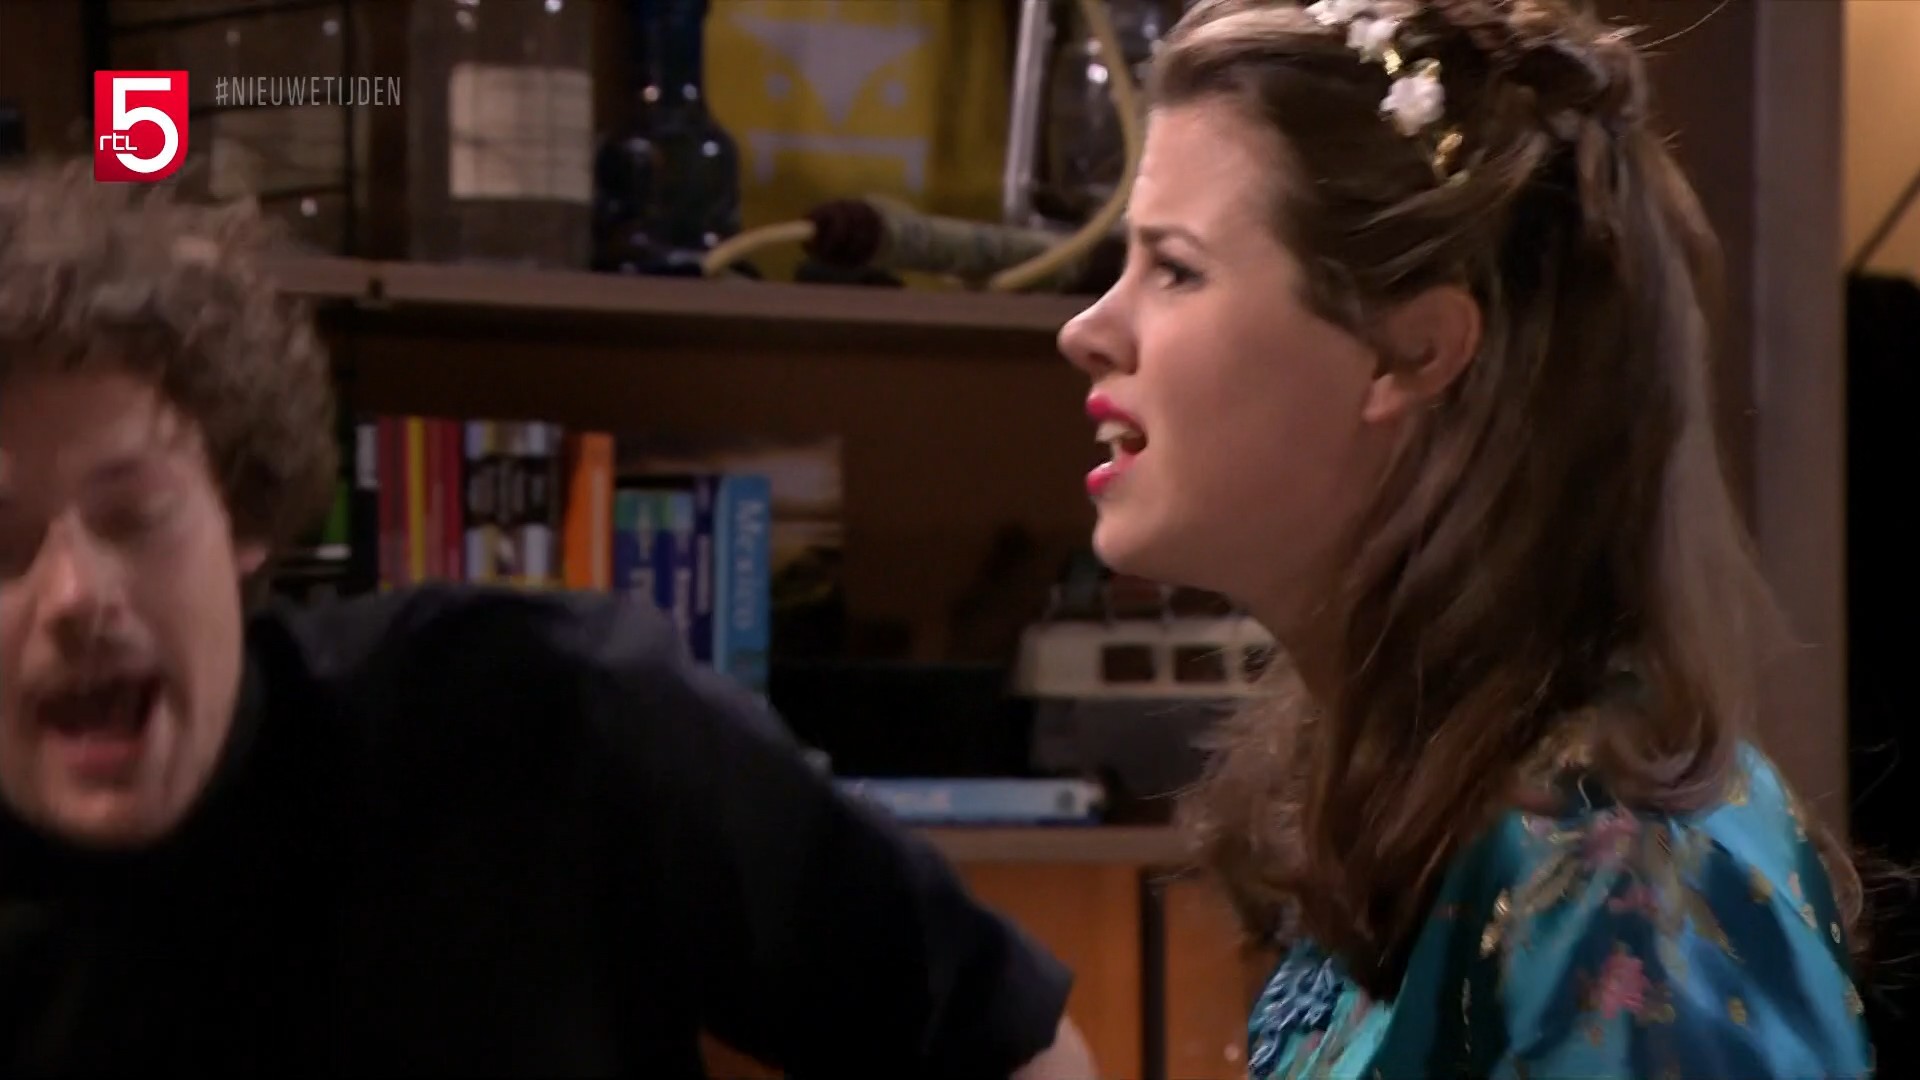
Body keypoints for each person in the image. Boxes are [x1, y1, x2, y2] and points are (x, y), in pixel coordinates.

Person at [0, 160, 1096, 1078]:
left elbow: (1015, 1051)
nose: (77, 597)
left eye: (135, 518)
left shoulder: (548, 714)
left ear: (242, 515)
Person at [1058, 0, 1875, 1076]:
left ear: (1412, 351)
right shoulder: (1409, 798)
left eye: (1175, 269)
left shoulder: (1625, 874)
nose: (1086, 330)